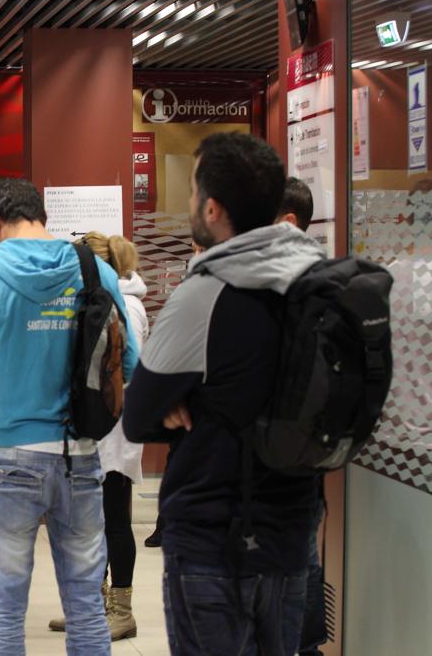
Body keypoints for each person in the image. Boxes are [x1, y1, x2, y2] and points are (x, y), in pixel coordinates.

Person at [123, 132, 324, 656]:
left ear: (212, 210)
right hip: (293, 529)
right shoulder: (318, 282)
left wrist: (179, 401)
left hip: (214, 540)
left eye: (192, 193)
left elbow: (138, 414)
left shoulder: (205, 293)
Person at [0, 177, 139, 655]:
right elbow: (129, 363)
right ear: (43, 217)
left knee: (5, 605)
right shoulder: (96, 271)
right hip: (80, 454)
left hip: (11, 453)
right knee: (84, 603)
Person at [50, 233, 148, 641]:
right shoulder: (97, 298)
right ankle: (94, 604)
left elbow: (132, 366)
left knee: (115, 520)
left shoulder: (129, 304)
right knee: (92, 522)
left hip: (117, 426)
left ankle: (121, 611)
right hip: (99, 424)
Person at [275, 176, 327, 656]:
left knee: (295, 558)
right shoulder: (334, 279)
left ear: (289, 222)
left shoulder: (287, 285)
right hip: (315, 447)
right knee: (304, 552)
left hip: (284, 446)